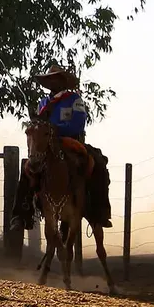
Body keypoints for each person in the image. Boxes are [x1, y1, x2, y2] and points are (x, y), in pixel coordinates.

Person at [22, 65, 112, 229]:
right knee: (27, 167)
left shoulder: (74, 100)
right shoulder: (43, 103)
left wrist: (54, 130)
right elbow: (37, 125)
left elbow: (78, 124)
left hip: (70, 141)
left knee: (98, 163)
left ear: (62, 81)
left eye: (55, 78)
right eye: (49, 79)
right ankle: (23, 212)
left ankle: (100, 212)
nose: (52, 82)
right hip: (46, 145)